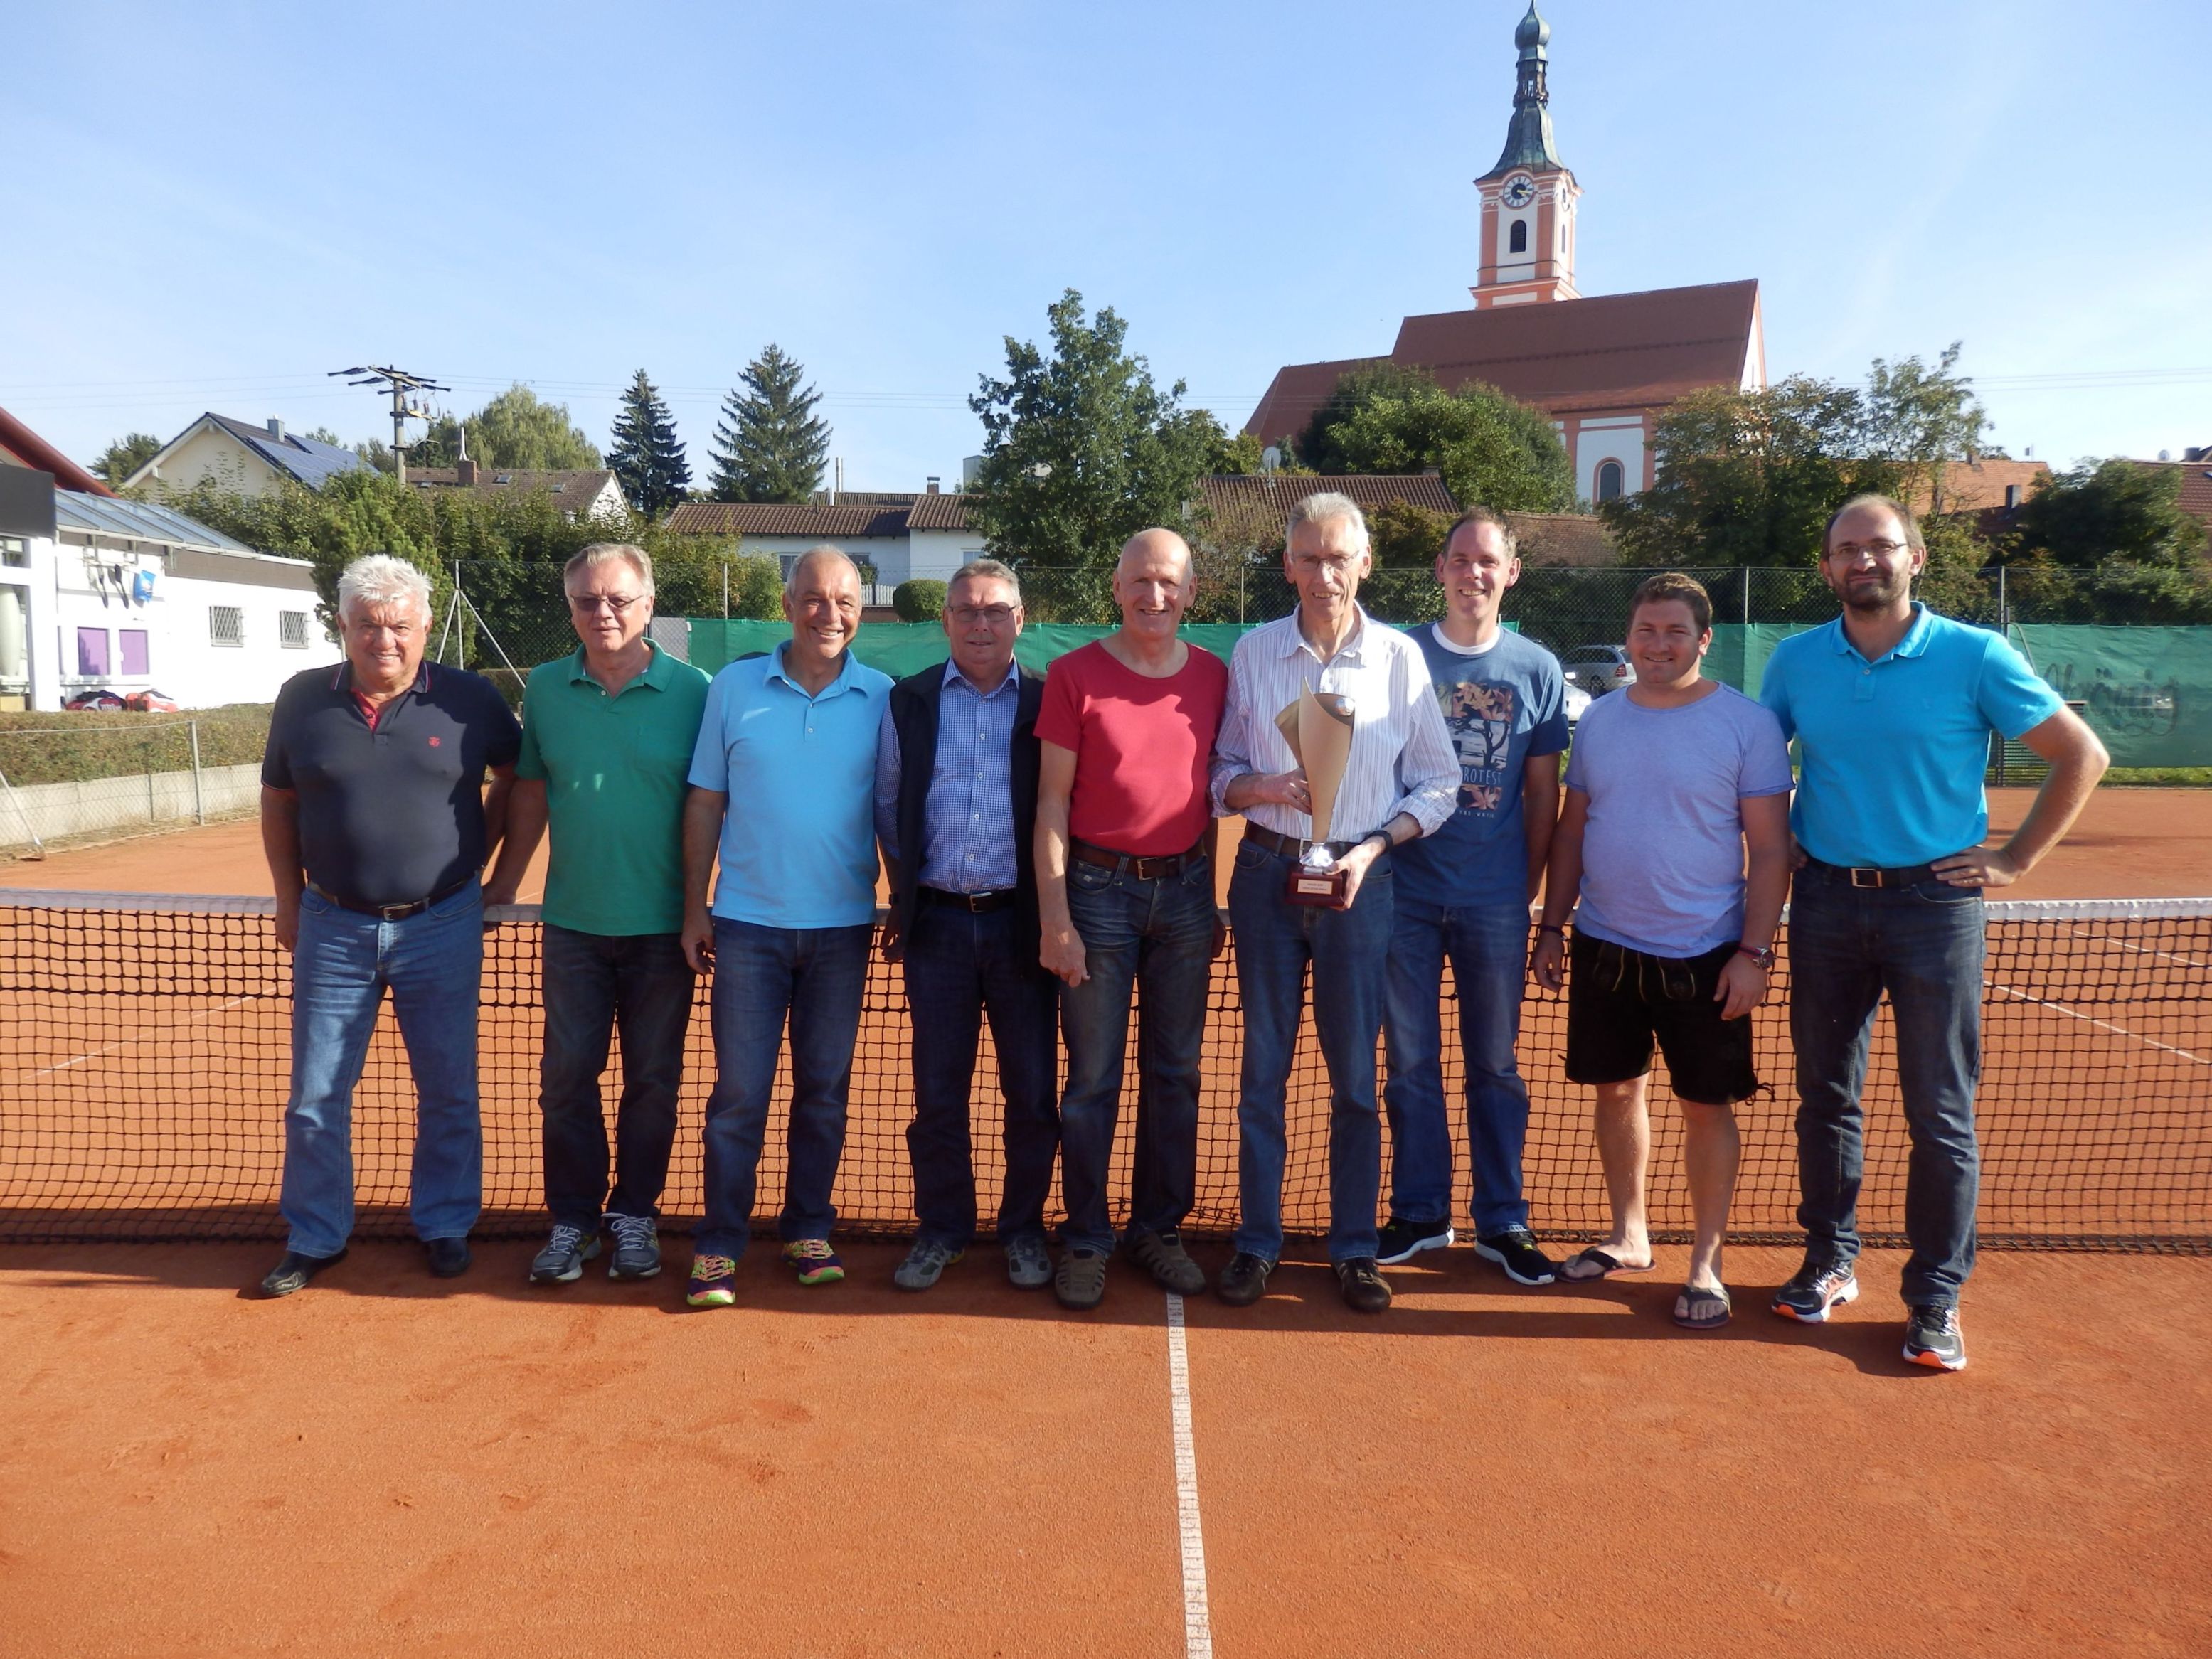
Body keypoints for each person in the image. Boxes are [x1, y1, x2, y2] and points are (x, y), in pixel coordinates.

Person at [1760, 494, 2107, 1370]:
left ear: (1913, 557)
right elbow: (1757, 767)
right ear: (1826, 567)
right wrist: (1777, 835)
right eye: (1846, 549)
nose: (1862, 560)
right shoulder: (1794, 660)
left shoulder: (1973, 654)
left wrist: (2014, 857)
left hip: (1934, 909)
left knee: (1939, 1111)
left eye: (1879, 546)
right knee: (1824, 1097)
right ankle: (1829, 1260)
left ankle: (1933, 1297)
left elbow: (2081, 753)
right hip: (1826, 902)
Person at [1211, 493, 1459, 1313]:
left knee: (1355, 1077)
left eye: (1339, 558)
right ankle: (1257, 1241)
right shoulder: (1252, 651)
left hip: (1360, 882)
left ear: (1364, 563)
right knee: (1262, 1073)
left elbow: (1439, 781)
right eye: (1310, 558)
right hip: (1265, 876)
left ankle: (1353, 1245)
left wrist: (1371, 847)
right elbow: (1218, 773)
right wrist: (1258, 784)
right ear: (1288, 565)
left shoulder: (1398, 657)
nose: (1324, 574)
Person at [256, 554, 521, 1297]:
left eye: (399, 625)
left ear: (425, 626)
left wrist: (495, 872)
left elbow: (520, 778)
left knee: (448, 1089)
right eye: (368, 625)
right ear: (341, 625)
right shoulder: (301, 698)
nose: (385, 640)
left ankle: (444, 1222)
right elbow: (278, 799)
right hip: (331, 925)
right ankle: (315, 1234)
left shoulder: (471, 698)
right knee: (315, 1095)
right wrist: (287, 898)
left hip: (443, 921)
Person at [1533, 573, 1792, 1330]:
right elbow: (1572, 830)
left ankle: (1706, 1261)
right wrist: (1551, 927)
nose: (1657, 644)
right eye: (1645, 630)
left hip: (1707, 955)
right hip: (1604, 945)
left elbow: (1770, 851)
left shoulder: (1746, 725)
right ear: (1629, 636)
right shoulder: (1601, 720)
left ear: (1703, 639)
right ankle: (1629, 1234)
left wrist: (1754, 953)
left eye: (1675, 631)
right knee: (1615, 1091)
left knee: (1705, 1107)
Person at [483, 543, 710, 1286]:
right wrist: (503, 882)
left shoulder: (695, 691)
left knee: (653, 1082)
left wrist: (701, 906)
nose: (602, 612)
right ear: (571, 607)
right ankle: (574, 1221)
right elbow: (530, 790)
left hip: (662, 931)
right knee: (566, 1080)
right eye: (587, 600)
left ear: (648, 604)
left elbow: (713, 802)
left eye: (618, 599)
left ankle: (635, 1215)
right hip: (573, 927)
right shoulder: (547, 688)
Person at [680, 546, 893, 1310]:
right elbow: (705, 800)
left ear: (860, 611)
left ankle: (808, 1229)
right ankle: (719, 1241)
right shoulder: (733, 687)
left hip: (842, 930)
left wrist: (901, 899)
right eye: (813, 597)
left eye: (844, 601)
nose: (828, 613)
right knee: (739, 1095)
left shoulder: (882, 697)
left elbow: (891, 808)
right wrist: (694, 906)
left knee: (824, 1093)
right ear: (787, 603)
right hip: (746, 928)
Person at [1035, 528, 1228, 1311]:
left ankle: (1157, 1227)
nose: (1155, 595)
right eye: (1140, 581)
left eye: (1169, 582)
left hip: (1185, 895)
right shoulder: (1073, 674)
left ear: (1190, 592)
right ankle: (1086, 1236)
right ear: (1115, 588)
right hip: (1096, 894)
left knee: (1175, 1073)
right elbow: (1051, 801)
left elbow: (1210, 793)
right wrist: (1056, 917)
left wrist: (1208, 897)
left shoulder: (1213, 675)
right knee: (1093, 1078)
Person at [1381, 508, 1570, 1286]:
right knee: (1409, 1062)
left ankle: (1503, 1218)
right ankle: (1421, 1210)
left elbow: (1542, 793)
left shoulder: (1537, 668)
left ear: (1510, 572)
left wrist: (1524, 891)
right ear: (1440, 568)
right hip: (1403, 896)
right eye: (1460, 559)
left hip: (1494, 901)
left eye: (1487, 561)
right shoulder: (1397, 655)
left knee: (1495, 1065)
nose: (1473, 573)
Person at [874, 559, 1059, 1292]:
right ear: (946, 620)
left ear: (1020, 619)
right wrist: (905, 897)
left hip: (1024, 927)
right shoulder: (909, 700)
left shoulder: (1048, 700)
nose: (981, 624)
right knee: (938, 1093)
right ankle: (943, 1227)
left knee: (1032, 1094)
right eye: (967, 611)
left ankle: (1024, 1229)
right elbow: (889, 805)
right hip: (939, 930)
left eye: (995, 610)